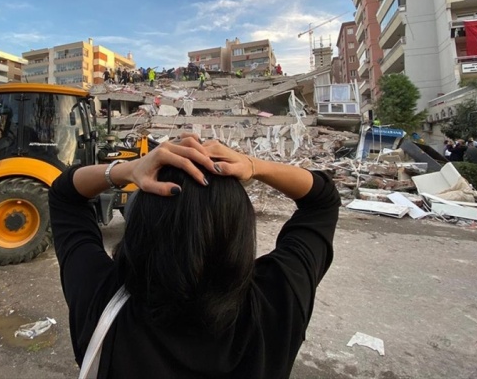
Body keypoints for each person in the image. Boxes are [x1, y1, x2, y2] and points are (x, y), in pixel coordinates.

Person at [49, 134, 339, 378]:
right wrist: (253, 166)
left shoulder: (100, 299)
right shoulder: (279, 298)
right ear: (239, 227)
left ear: (140, 225)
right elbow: (322, 201)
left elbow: (65, 195)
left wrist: (129, 170)